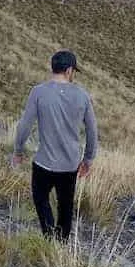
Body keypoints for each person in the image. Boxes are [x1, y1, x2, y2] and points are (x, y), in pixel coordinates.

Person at [12, 50, 98, 241]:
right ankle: (61, 242)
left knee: (40, 199)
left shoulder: (38, 92)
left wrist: (18, 151)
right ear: (68, 70)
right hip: (70, 165)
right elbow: (92, 131)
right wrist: (88, 160)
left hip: (43, 163)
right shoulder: (82, 95)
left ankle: (49, 236)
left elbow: (25, 125)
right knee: (65, 206)